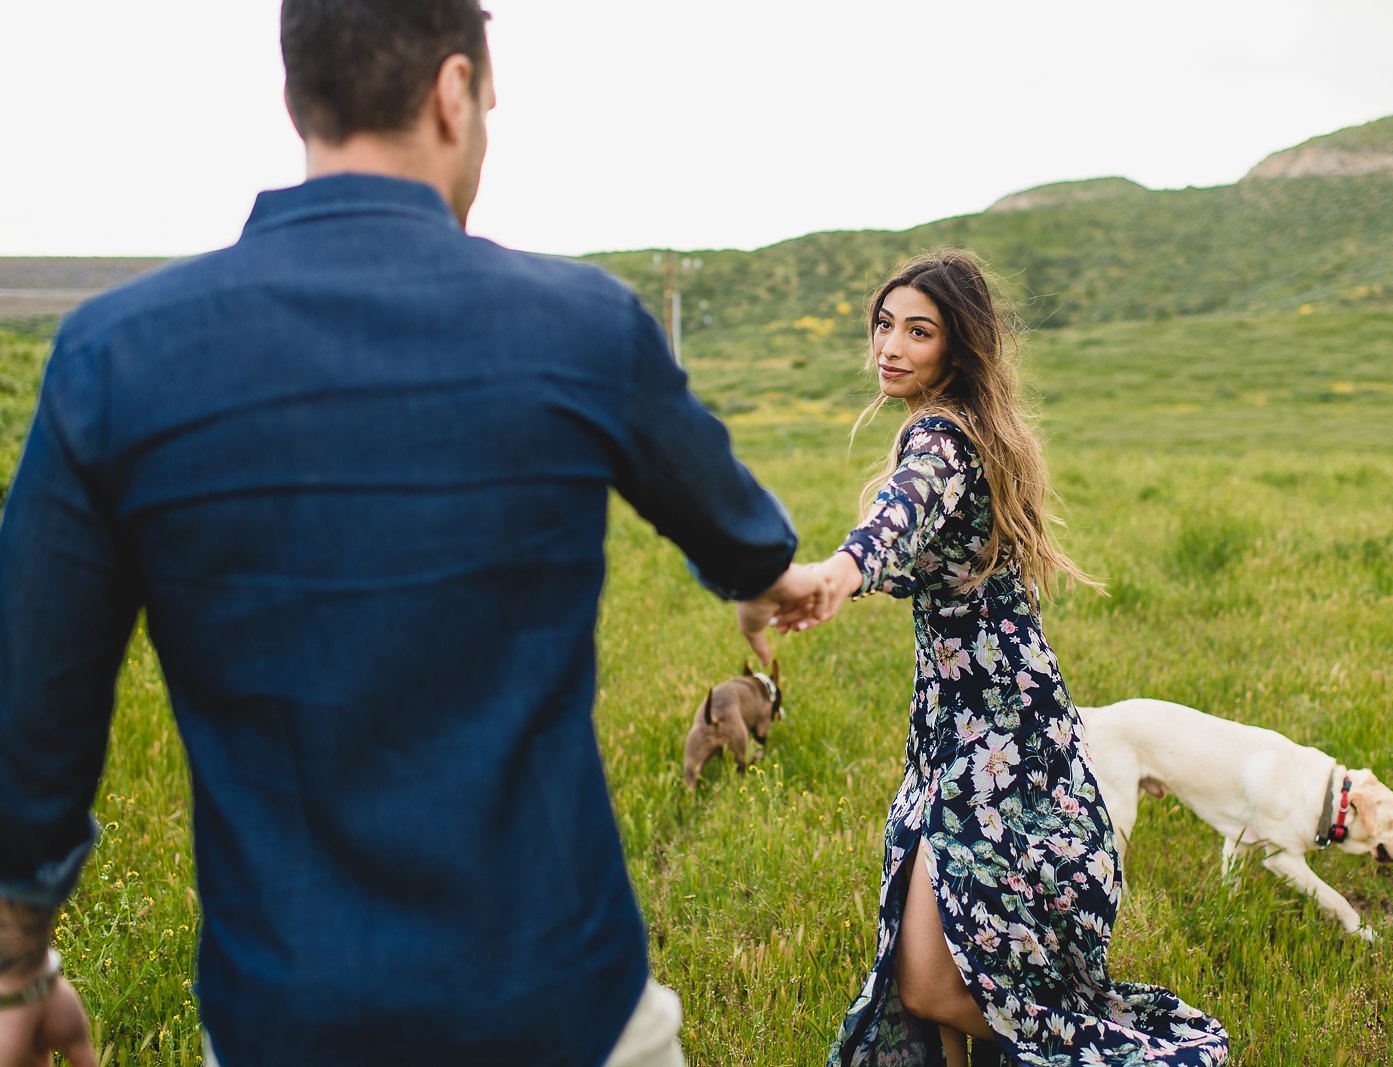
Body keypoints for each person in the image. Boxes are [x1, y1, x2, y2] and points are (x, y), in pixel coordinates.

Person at [0, 2, 821, 1065]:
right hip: (566, 1004)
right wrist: (763, 577)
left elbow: (34, 711)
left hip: (285, 1021)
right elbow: (738, 531)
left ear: (298, 97)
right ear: (452, 93)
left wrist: (18, 967)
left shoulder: (110, 356)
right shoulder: (583, 325)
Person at [806, 252, 1230, 1066]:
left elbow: (900, 517)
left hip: (992, 732)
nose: (890, 346)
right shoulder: (970, 426)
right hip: (994, 716)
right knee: (951, 956)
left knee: (931, 980)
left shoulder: (941, 438)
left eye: (917, 332)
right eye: (884, 324)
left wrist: (835, 572)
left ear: (956, 350)